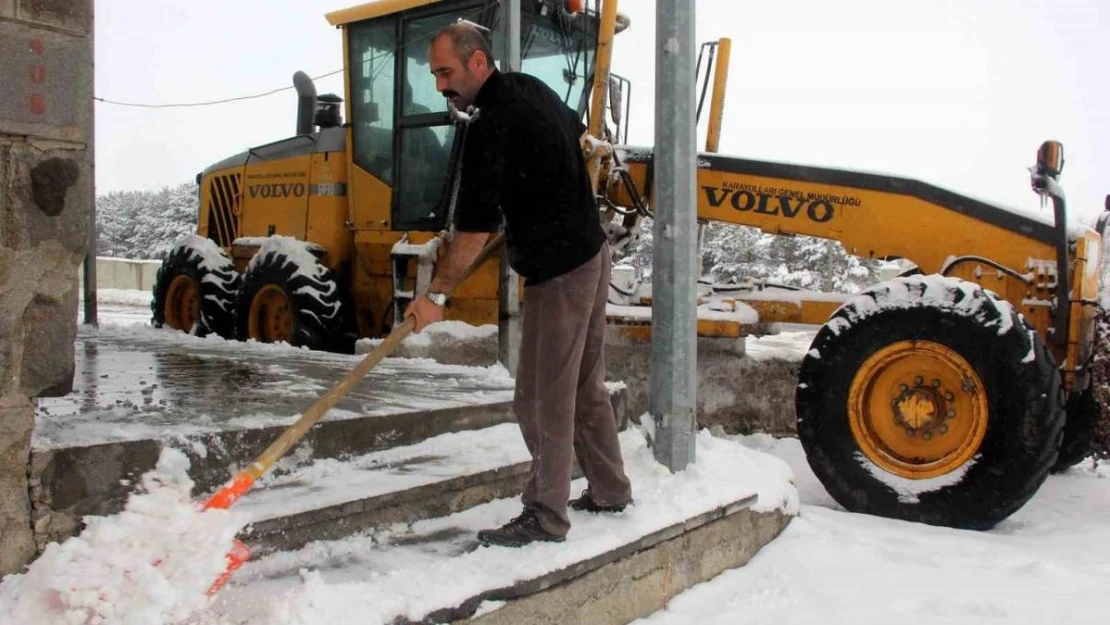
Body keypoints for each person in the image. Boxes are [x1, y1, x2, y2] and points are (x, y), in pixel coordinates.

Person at [405, 22, 633, 548]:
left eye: (447, 72)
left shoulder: (490, 124)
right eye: (436, 73)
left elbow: (473, 228)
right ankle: (610, 490)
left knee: (539, 397)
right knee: (582, 384)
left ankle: (545, 517)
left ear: (479, 62)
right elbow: (573, 138)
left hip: (560, 271)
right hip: (590, 250)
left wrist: (437, 294)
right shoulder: (532, 88)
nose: (441, 85)